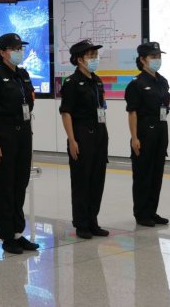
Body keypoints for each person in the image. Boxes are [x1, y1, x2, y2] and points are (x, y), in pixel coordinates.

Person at [0, 33, 39, 254]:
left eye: (20, 48)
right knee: (4, 187)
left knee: (20, 183)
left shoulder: (23, 75)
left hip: (23, 134)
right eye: (14, 48)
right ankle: (7, 236)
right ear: (3, 52)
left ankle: (18, 233)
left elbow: (29, 103)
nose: (19, 52)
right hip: (3, 136)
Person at [59, 39, 109, 240]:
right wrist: (72, 140)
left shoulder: (97, 81)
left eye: (95, 55)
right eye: (90, 55)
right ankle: (81, 224)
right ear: (79, 59)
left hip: (99, 133)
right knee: (82, 180)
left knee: (97, 179)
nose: (94, 59)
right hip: (81, 134)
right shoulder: (72, 82)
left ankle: (93, 220)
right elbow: (66, 113)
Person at [124, 42, 170, 227]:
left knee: (157, 173)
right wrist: (134, 137)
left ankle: (152, 211)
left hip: (161, 130)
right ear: (143, 60)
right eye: (153, 57)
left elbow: (166, 104)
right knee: (143, 174)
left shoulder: (162, 81)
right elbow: (132, 113)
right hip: (144, 131)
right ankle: (141, 213)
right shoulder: (136, 84)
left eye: (159, 56)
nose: (157, 60)